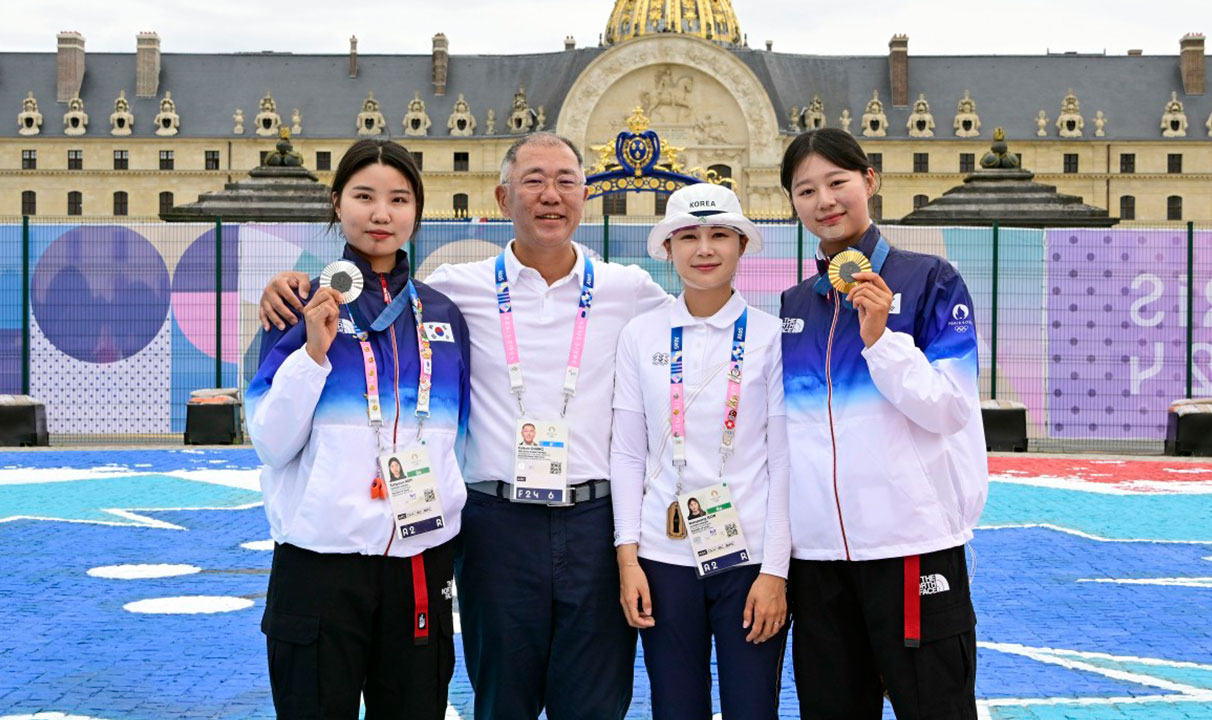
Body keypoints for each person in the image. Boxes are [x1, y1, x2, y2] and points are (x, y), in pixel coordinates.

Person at [257, 132, 671, 720]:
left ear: (586, 196)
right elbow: (272, 436)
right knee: (501, 700)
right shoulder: (453, 293)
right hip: (493, 529)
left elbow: (699, 326)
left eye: (565, 182)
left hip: (590, 525)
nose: (550, 195)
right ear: (503, 198)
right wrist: (289, 293)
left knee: (595, 704)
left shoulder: (629, 291)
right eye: (533, 181)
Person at [247, 138, 470, 720]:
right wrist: (313, 356)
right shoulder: (300, 304)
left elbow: (459, 436)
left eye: (398, 199)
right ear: (337, 203)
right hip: (321, 561)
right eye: (364, 196)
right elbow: (271, 442)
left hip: (419, 559)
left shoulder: (444, 314)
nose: (381, 213)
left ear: (417, 210)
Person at [778, 127, 988, 719]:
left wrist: (882, 341)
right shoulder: (797, 304)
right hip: (818, 561)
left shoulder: (930, 281)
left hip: (912, 547)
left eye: (837, 182)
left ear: (869, 181)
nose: (825, 201)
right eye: (805, 190)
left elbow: (949, 408)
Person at [611, 183, 790, 720]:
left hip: (751, 558)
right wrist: (628, 560)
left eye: (718, 235)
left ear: (740, 245)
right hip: (663, 560)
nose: (704, 249)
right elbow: (627, 454)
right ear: (668, 249)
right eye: (688, 236)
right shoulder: (639, 335)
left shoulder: (771, 336)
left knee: (752, 709)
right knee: (675, 708)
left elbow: (782, 461)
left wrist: (776, 572)